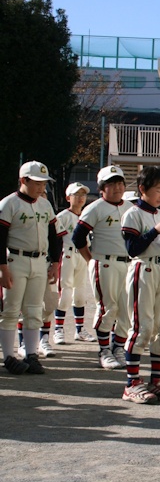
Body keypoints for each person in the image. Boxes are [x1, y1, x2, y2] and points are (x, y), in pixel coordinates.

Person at [0, 161, 63, 375]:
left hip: (39, 261)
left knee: (35, 310)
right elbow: (0, 238)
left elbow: (54, 236)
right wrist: (2, 269)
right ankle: (9, 356)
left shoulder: (45, 204)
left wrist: (55, 263)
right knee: (11, 309)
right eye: (37, 183)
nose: (41, 188)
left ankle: (31, 355)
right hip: (15, 260)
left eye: (44, 183)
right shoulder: (9, 204)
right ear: (23, 180)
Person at [120, 166, 160, 404]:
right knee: (143, 327)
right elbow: (133, 248)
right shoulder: (132, 214)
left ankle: (156, 379)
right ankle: (131, 384)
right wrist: (155, 231)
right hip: (143, 268)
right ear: (142, 189)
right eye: (157, 190)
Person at [72, 165, 134, 370]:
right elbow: (78, 237)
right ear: (102, 188)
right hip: (104, 262)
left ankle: (118, 348)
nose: (116, 188)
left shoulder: (130, 208)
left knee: (127, 309)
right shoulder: (95, 208)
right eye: (111, 184)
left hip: (127, 263)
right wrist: (90, 259)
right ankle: (104, 350)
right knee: (108, 307)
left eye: (119, 183)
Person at [53, 182, 96, 345]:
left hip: (82, 256)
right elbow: (57, 240)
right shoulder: (62, 216)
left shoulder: (86, 215)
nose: (80, 198)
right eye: (76, 195)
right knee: (64, 293)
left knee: (80, 294)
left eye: (83, 195)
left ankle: (80, 330)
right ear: (68, 197)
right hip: (67, 254)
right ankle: (58, 329)